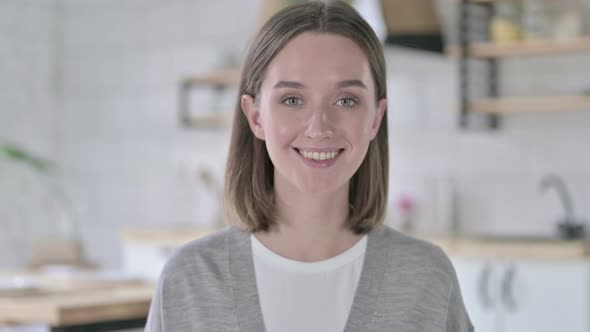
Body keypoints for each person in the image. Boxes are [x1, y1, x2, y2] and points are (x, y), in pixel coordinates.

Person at [145, 1, 473, 331]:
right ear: (255, 116)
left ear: (375, 117)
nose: (319, 127)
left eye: (346, 100)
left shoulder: (426, 279)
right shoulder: (188, 281)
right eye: (292, 100)